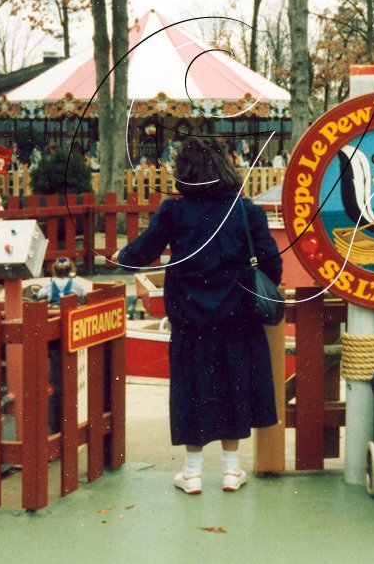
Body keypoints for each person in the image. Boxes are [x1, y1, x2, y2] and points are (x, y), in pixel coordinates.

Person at [118, 137, 281, 495]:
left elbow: (140, 252)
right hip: (238, 316)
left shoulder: (174, 212)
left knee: (192, 389)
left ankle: (192, 473)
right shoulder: (246, 211)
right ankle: (231, 471)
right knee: (233, 386)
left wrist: (119, 256)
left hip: (190, 317)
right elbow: (272, 265)